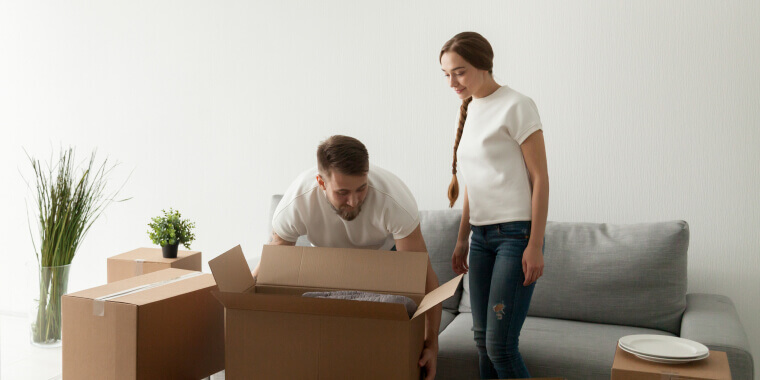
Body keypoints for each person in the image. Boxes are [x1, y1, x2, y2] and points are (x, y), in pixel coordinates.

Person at [252, 135, 441, 380]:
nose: (353, 201)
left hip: (385, 263)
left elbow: (424, 280)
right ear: (321, 182)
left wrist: (432, 344)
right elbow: (268, 269)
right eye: (342, 192)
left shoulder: (394, 201)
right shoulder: (297, 202)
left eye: (361, 188)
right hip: (328, 264)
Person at [440, 32, 550, 379]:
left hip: (516, 237)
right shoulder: (471, 109)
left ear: (484, 65)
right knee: (482, 342)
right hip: (481, 238)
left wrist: (534, 244)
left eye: (459, 71)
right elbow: (475, 182)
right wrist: (462, 239)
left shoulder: (517, 105)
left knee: (501, 347)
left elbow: (540, 179)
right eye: (446, 74)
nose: (452, 82)